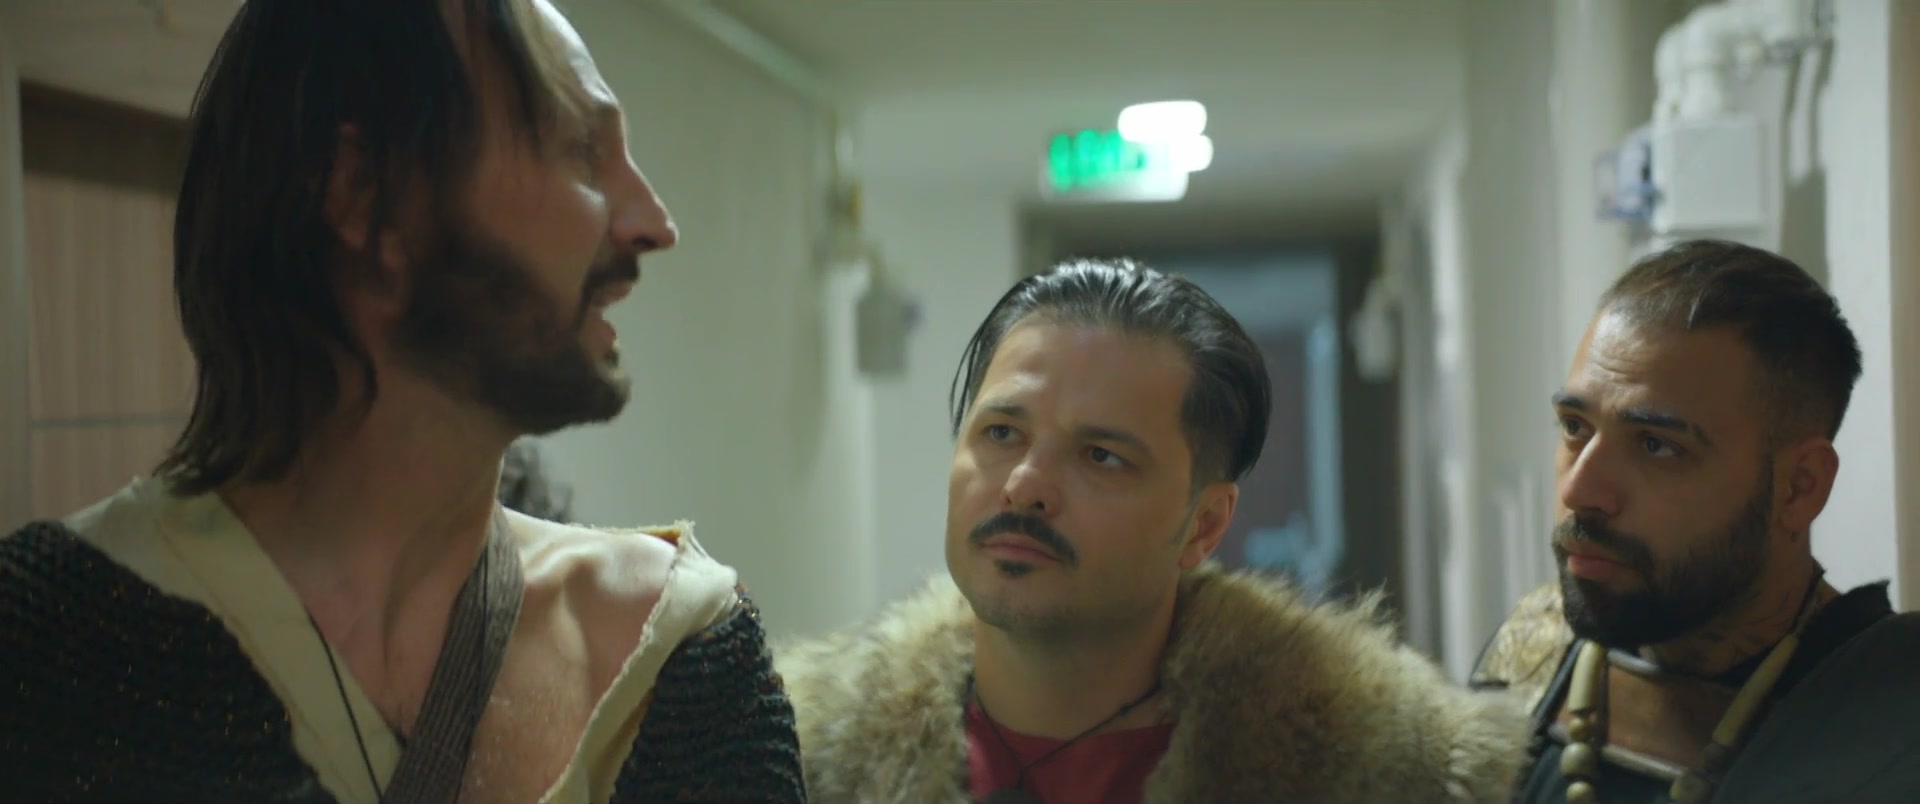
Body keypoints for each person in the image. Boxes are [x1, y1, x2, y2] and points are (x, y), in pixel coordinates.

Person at [0, 1, 803, 802]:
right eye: (583, 152)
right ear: (365, 195)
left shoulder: (681, 667)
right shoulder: (50, 650)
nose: (654, 224)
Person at [776, 258, 1531, 804]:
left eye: (1101, 456)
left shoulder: (1381, 772)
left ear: (1203, 525)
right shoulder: (798, 765)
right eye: (1001, 433)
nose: (1025, 484)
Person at [1472, 239, 1920, 803]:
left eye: (1656, 445)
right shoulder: (1532, 659)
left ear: (1799, 486)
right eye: (1574, 427)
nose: (1578, 491)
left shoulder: (1893, 726)